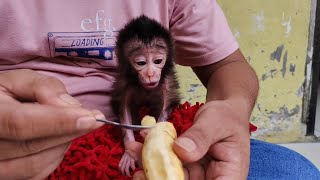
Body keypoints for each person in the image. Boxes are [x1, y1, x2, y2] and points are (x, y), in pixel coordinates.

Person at [0, 0, 319, 179]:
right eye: (142, 64)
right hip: (16, 144)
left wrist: (231, 110)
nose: (151, 72)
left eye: (158, 62)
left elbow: (228, 65)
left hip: (138, 135)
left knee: (294, 172)